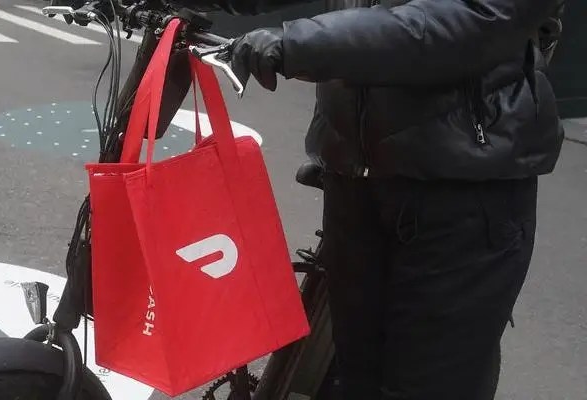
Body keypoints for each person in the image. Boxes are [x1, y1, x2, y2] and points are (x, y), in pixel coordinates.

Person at [179, 0, 566, 399]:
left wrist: (297, 44)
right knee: (357, 374)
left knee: (430, 382)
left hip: (463, 188)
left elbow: (473, 19)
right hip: (356, 174)